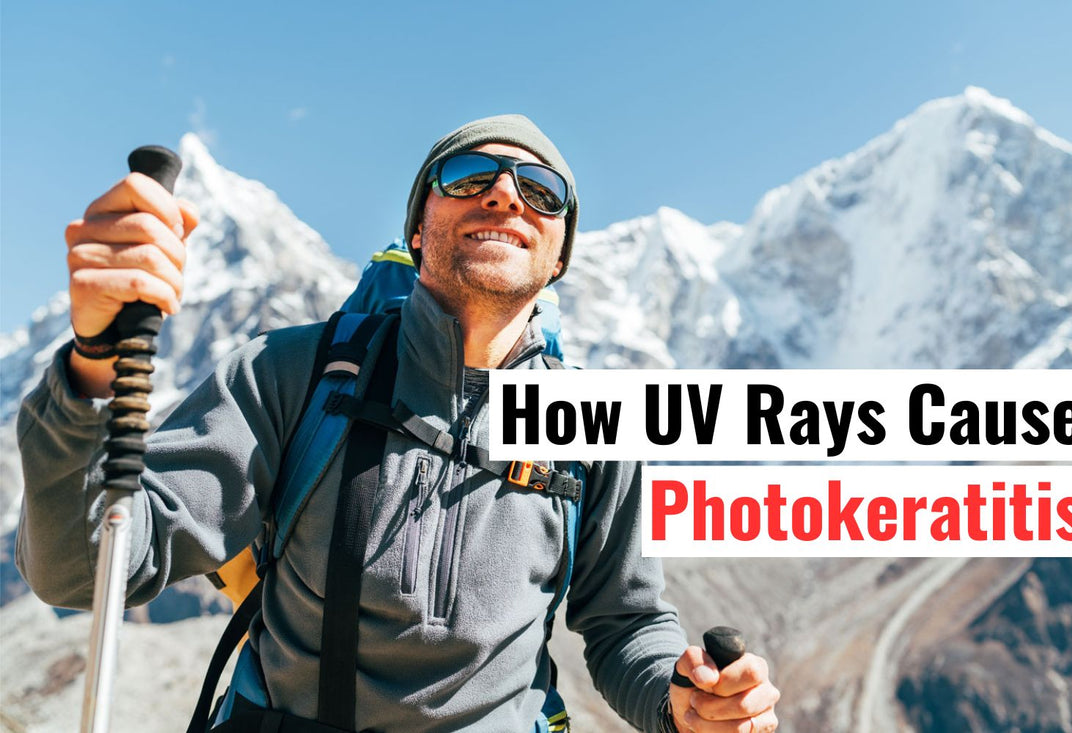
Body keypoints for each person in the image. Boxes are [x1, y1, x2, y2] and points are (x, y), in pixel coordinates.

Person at [17, 115, 780, 732]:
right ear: (418, 229)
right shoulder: (293, 374)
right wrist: (92, 361)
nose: (508, 195)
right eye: (468, 177)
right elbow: (85, 563)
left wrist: (681, 704)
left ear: (559, 259)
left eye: (542, 191)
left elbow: (625, 623)